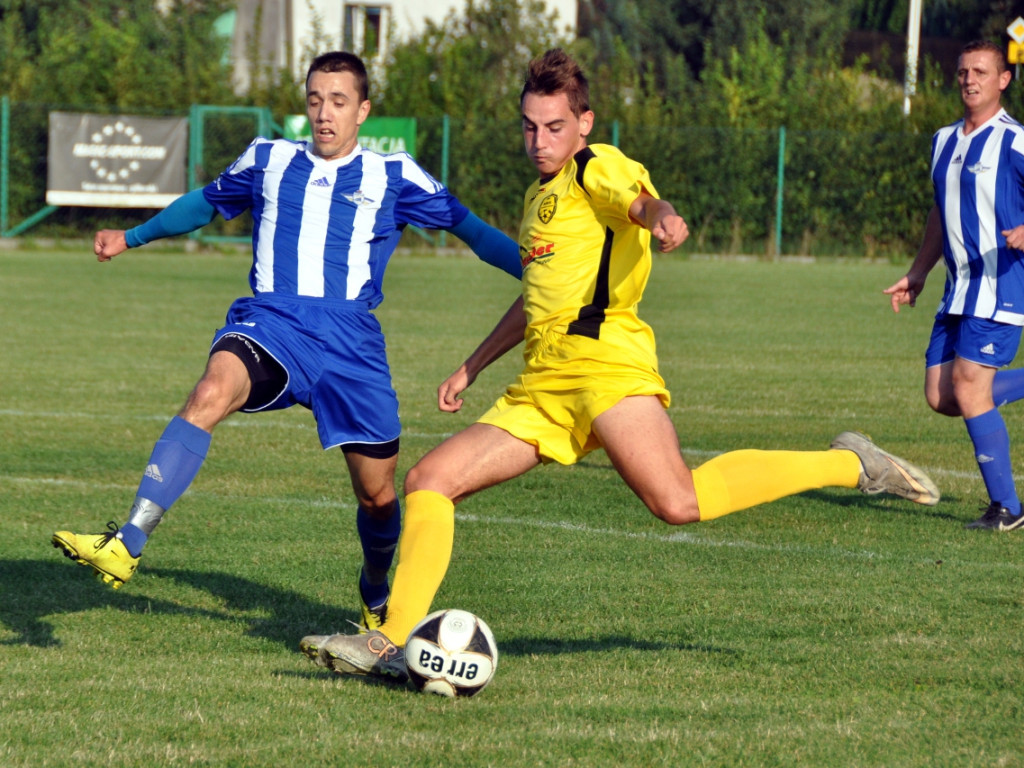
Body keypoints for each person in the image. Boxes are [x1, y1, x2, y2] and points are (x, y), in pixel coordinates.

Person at [299, 48, 941, 682]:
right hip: (543, 386)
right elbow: (538, 296)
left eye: (554, 127)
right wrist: (472, 365)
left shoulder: (596, 166)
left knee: (678, 502)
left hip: (606, 365)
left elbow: (637, 202)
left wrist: (663, 217)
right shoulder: (537, 196)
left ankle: (853, 462)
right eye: (529, 126)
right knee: (430, 479)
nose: (539, 140)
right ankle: (389, 639)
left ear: (584, 123)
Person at [51, 51, 522, 631]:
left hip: (352, 347)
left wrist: (541, 273)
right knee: (210, 391)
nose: (324, 114)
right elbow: (204, 203)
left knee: (377, 498)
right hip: (271, 323)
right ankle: (127, 541)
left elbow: (473, 233)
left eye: (339, 102)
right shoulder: (268, 158)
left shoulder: (394, 174)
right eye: (315, 100)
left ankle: (375, 594)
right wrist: (132, 235)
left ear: (363, 111)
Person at [884, 40, 1024, 533]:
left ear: (1003, 80)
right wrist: (918, 271)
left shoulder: (1015, 140)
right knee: (941, 395)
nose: (969, 79)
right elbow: (940, 215)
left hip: (1002, 284)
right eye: (964, 71)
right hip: (958, 287)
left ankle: (1007, 509)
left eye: (981, 72)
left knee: (969, 386)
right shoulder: (944, 140)